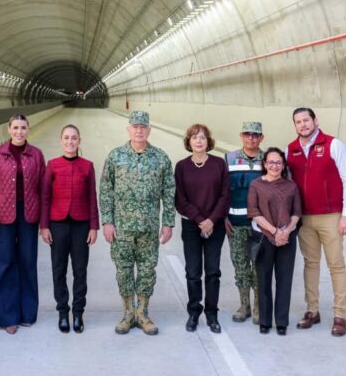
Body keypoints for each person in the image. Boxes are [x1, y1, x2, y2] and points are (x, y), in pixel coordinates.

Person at [100, 110, 175, 336]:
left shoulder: (161, 158)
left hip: (149, 229)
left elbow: (169, 191)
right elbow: (105, 190)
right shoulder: (115, 157)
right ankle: (127, 313)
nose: (139, 130)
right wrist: (107, 221)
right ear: (129, 129)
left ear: (149, 130)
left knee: (146, 271)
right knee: (123, 271)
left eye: (143, 127)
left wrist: (168, 222)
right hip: (121, 228)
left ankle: (142, 312)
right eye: (135, 126)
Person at [286, 108, 346, 337]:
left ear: (315, 121)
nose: (303, 125)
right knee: (311, 264)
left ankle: (340, 315)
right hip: (305, 218)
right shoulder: (292, 149)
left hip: (331, 216)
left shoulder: (333, 145)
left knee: (336, 265)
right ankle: (312, 310)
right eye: (298, 122)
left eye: (306, 120)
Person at [0, 114, 46, 334]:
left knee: (28, 262)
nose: (19, 132)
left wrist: (44, 222)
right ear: (8, 129)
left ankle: (27, 313)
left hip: (29, 214)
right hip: (4, 215)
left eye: (23, 128)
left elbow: (43, 189)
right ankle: (6, 316)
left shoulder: (36, 155)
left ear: (28, 129)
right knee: (5, 263)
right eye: (15, 128)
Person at [40, 124, 99, 334]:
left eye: (74, 138)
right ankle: (63, 312)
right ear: (61, 140)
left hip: (81, 224)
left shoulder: (87, 166)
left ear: (79, 141)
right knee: (59, 269)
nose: (70, 141)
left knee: (80, 270)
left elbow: (92, 197)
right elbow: (45, 198)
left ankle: (78, 312)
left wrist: (94, 227)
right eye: (66, 138)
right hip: (58, 224)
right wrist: (44, 226)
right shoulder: (53, 165)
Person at [174, 123, 230, 334]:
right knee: (193, 272)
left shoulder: (218, 164)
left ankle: (212, 313)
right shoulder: (181, 167)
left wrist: (211, 220)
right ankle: (194, 311)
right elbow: (180, 198)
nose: (198, 141)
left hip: (215, 225)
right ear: (189, 142)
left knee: (213, 271)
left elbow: (225, 195)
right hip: (191, 226)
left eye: (202, 137)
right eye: (194, 137)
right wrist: (199, 219)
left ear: (209, 142)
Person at [247, 148, 301, 335]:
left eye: (278, 162)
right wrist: (274, 231)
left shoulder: (291, 186)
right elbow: (253, 212)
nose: (274, 166)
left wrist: (285, 231)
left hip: (287, 239)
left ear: (283, 165)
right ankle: (264, 320)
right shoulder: (256, 185)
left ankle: (281, 322)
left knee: (284, 280)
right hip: (264, 238)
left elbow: (296, 213)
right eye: (271, 162)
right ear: (264, 164)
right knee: (264, 280)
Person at [225, 121, 265, 324]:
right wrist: (223, 217)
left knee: (258, 267)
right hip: (236, 223)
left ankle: (258, 306)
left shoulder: (268, 160)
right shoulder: (230, 158)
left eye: (256, 135)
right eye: (248, 134)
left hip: (261, 226)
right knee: (240, 266)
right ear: (241, 136)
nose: (251, 138)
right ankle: (244, 305)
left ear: (261, 138)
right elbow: (221, 191)